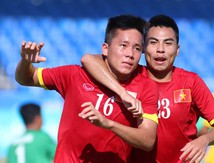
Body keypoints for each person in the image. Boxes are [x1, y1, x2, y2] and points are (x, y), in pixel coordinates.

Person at [80, 14, 214, 163]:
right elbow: (88, 59)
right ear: (144, 49)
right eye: (153, 42)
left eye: (168, 43)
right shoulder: (129, 75)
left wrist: (204, 140)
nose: (161, 49)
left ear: (177, 49)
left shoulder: (191, 82)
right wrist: (121, 92)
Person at [15, 15, 159, 163]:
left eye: (137, 48)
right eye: (123, 45)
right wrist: (25, 62)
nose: (130, 54)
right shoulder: (75, 75)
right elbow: (25, 78)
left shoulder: (146, 86)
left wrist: (109, 124)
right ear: (105, 48)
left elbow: (147, 141)